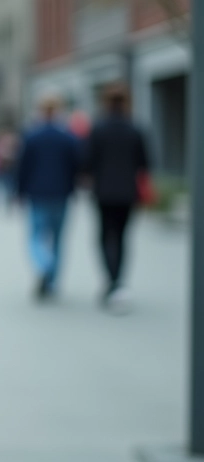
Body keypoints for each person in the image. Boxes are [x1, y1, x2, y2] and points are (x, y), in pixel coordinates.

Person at [84, 85, 150, 311]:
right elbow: (145, 163)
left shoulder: (99, 128)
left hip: (103, 192)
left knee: (104, 237)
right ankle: (118, 281)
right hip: (127, 192)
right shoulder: (135, 129)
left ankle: (111, 280)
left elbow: (87, 161)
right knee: (122, 237)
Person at [15, 95, 81, 300]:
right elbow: (77, 166)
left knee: (36, 236)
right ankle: (51, 281)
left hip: (37, 194)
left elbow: (22, 167)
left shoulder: (31, 136)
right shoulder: (68, 137)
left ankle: (44, 265)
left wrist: (19, 191)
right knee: (58, 239)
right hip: (61, 194)